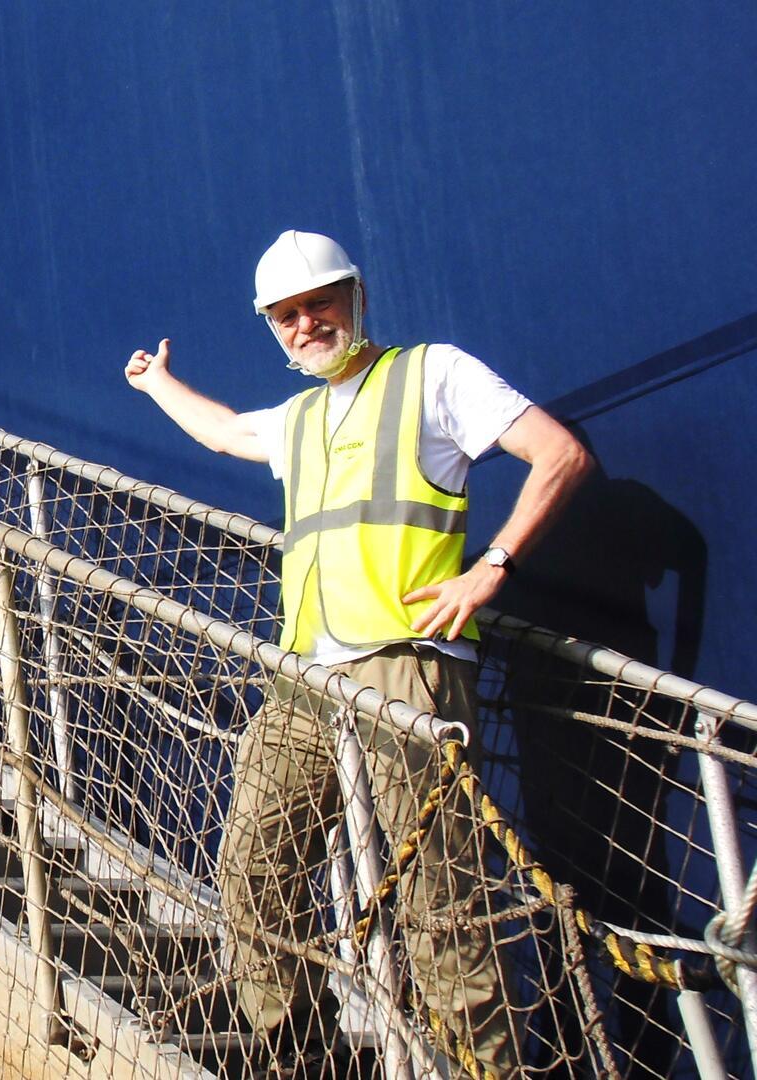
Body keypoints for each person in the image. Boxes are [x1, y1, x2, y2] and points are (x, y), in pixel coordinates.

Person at [124, 230, 592, 1072]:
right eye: (287, 315)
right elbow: (227, 432)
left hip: (405, 668)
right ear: (271, 327)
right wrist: (157, 382)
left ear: (355, 296)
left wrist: (492, 567)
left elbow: (559, 454)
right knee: (250, 872)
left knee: (439, 906)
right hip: (304, 680)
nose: (306, 324)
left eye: (319, 304)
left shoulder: (433, 375)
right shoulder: (299, 418)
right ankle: (310, 1055)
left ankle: (489, 1068)